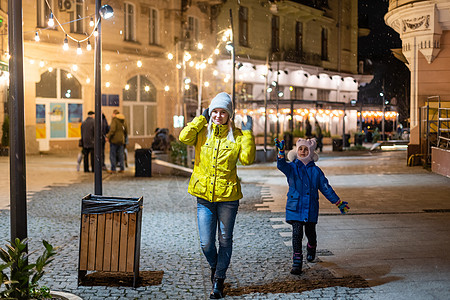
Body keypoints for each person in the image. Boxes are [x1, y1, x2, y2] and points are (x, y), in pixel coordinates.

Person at [179, 92, 256, 299]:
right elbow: (183, 137)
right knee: (205, 243)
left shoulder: (237, 136)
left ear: (229, 115)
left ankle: (219, 280)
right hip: (204, 196)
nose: (218, 116)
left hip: (228, 198)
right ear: (210, 112)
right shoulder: (203, 133)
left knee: (225, 240)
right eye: (215, 111)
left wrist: (248, 134)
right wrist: (200, 119)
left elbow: (247, 159)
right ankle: (216, 267)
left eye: (223, 112)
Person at [274, 137, 349, 275]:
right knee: (297, 233)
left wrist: (338, 202)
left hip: (310, 208)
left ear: (311, 152)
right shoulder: (291, 167)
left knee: (310, 232)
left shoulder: (316, 171)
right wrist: (281, 152)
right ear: (296, 151)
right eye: (300, 149)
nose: (302, 151)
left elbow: (326, 188)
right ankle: (297, 260)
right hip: (295, 206)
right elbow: (281, 165)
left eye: (306, 149)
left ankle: (312, 246)